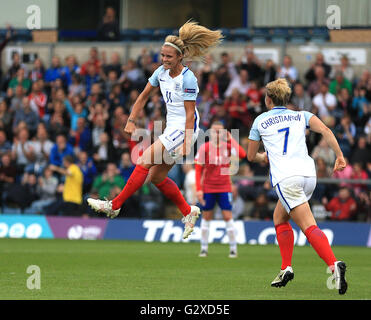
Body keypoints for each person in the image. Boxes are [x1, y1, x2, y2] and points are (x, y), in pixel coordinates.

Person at [88, 21, 223, 239]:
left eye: (169, 56)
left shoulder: (188, 79)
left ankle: (114, 205)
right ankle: (189, 212)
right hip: (172, 127)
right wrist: (131, 119)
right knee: (157, 177)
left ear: (180, 57)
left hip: (183, 129)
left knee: (143, 161)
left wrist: (187, 141)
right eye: (162, 55)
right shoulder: (161, 72)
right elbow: (142, 97)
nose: (164, 59)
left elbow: (190, 114)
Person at [247, 78, 348, 294]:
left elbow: (250, 155)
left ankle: (334, 266)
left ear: (268, 99)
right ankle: (286, 268)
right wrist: (339, 156)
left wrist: (264, 157)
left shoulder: (260, 121)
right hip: (308, 176)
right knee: (279, 217)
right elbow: (327, 131)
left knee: (308, 226)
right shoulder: (301, 115)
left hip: (287, 178)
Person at [195, 121, 247, 258]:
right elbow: (198, 170)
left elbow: (242, 154)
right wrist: (198, 189)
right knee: (206, 217)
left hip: (225, 187)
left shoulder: (228, 147)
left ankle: (233, 248)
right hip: (208, 187)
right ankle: (204, 248)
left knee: (228, 217)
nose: (217, 133)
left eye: (220, 131)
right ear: (210, 132)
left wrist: (231, 139)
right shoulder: (204, 148)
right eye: (214, 130)